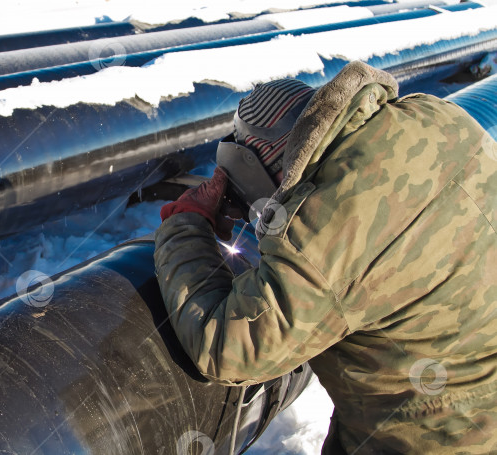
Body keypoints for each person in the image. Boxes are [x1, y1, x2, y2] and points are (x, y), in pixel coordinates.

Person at [153, 60, 497, 454]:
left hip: (435, 439)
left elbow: (227, 348)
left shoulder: (326, 223)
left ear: (265, 165)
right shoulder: (433, 114)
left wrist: (186, 225)